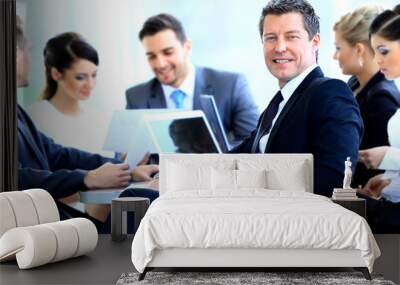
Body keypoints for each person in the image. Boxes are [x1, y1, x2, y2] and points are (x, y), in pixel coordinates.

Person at [15, 17, 159, 231]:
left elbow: (58, 154)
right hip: (42, 226)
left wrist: (127, 170)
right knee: (140, 200)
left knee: (142, 198)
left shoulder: (16, 111)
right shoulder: (32, 113)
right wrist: (87, 178)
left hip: (58, 218)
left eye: (94, 76)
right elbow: (17, 177)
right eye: (25, 49)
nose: (29, 57)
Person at [230, 0, 363, 198]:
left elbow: (335, 178)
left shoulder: (330, 93)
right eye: (271, 38)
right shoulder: (277, 104)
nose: (280, 47)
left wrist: (255, 188)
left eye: (292, 37)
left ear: (315, 42)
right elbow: (234, 157)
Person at [125, 13, 259, 145]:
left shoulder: (231, 86)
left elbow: (254, 144)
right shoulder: (136, 97)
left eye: (168, 52)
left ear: (187, 47)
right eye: (151, 56)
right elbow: (123, 154)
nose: (160, 64)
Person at [333, 6, 400, 188]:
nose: (334, 56)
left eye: (339, 48)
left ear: (359, 50)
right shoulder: (353, 84)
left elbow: (382, 170)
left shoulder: (382, 100)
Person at [26, 32, 111, 156]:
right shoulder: (33, 119)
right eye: (80, 77)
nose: (91, 85)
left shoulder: (100, 119)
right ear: (56, 74)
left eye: (94, 75)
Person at [357, 7, 400, 233]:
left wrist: (388, 157)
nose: (377, 60)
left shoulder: (383, 95)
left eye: (383, 51)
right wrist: (387, 181)